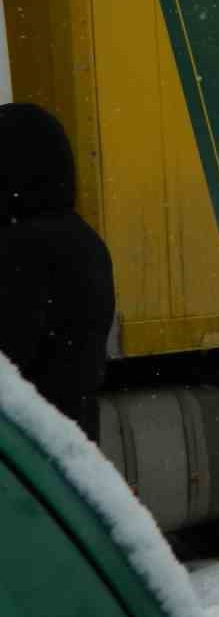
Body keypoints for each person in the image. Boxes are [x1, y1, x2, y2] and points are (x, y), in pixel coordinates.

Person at [0, 103, 115, 440]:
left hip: (22, 453)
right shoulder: (87, 242)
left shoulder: (21, 247)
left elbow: (9, 358)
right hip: (70, 445)